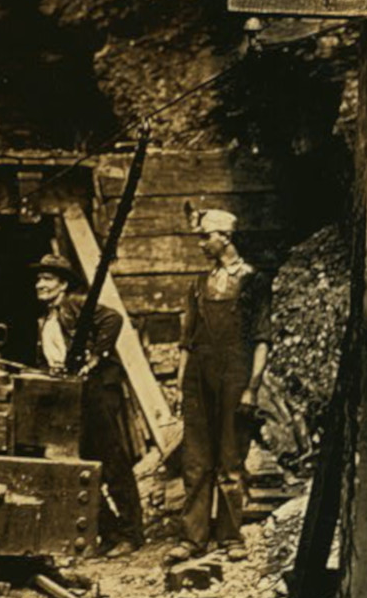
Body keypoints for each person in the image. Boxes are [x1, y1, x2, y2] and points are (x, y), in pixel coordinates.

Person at [171, 207, 272, 563]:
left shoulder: (253, 281)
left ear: (225, 237)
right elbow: (187, 340)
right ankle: (193, 538)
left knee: (230, 460)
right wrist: (181, 384)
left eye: (205, 236)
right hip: (199, 379)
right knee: (196, 462)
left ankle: (230, 537)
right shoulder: (198, 285)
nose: (200, 243)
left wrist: (252, 388)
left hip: (235, 377)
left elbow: (262, 339)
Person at [31, 253, 144, 558]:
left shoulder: (76, 304)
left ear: (63, 284)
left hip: (95, 392)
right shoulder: (46, 319)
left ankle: (132, 533)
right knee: (84, 464)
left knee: (112, 461)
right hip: (72, 398)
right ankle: (108, 532)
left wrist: (95, 357)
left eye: (48, 279)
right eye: (39, 278)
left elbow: (113, 319)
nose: (40, 284)